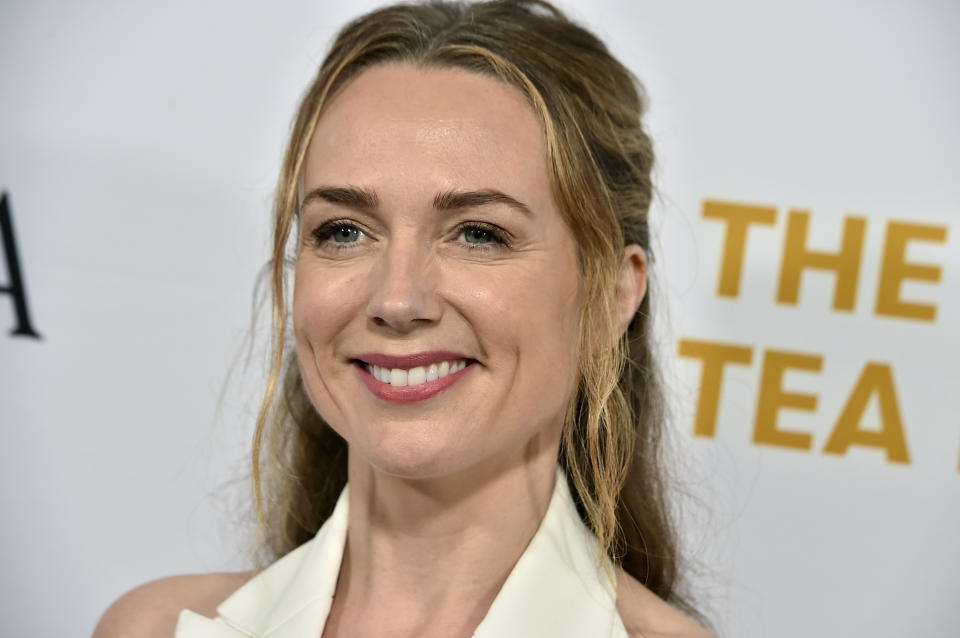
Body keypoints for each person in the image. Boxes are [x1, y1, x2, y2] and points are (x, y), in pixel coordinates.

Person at [94, 1, 715, 636]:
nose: (397, 300)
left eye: (478, 234)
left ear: (614, 292)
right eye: (343, 231)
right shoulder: (155, 628)